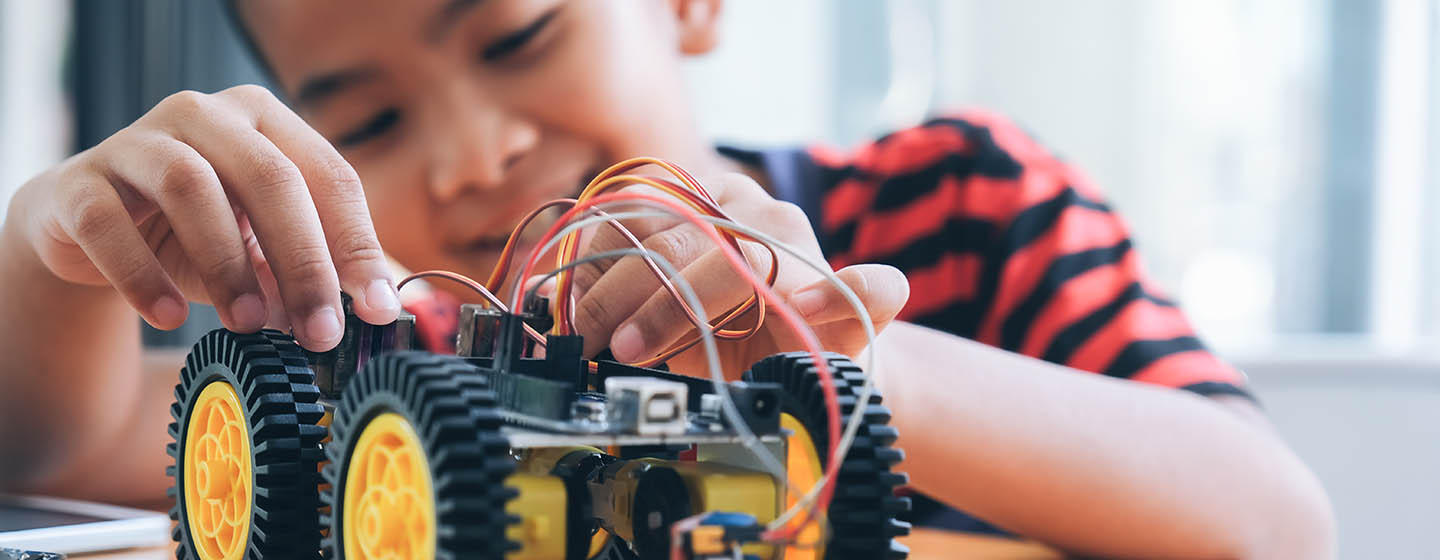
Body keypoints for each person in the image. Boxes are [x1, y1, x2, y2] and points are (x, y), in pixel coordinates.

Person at [0, 0, 1334, 557]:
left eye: (519, 34)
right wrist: (39, 253)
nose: (474, 158)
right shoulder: (408, 352)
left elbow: (1278, 525)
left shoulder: (964, 204)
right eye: (374, 121)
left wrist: (831, 355)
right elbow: (61, 443)